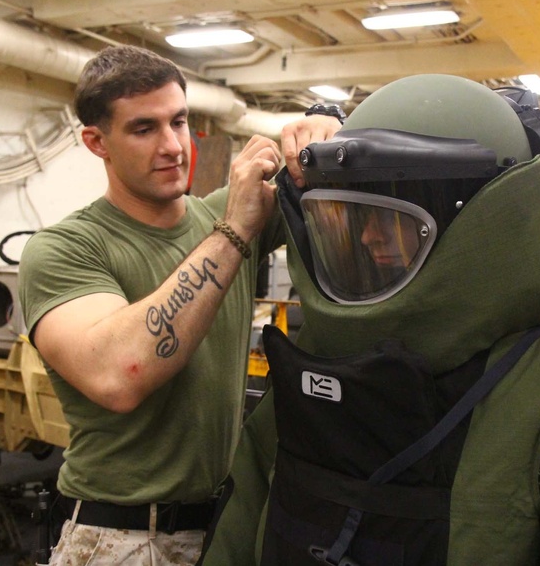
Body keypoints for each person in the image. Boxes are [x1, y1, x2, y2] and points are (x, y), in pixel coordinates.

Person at [201, 73, 540, 565]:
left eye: (392, 219)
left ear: (478, 223)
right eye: (355, 216)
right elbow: (243, 530)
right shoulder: (326, 354)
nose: (368, 239)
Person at [17, 44, 340, 566]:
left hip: (225, 523)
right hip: (121, 537)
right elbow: (120, 374)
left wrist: (326, 126)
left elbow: (329, 186)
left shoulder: (228, 215)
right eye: (144, 129)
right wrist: (235, 229)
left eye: (180, 121)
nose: (173, 146)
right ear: (96, 142)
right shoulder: (65, 248)